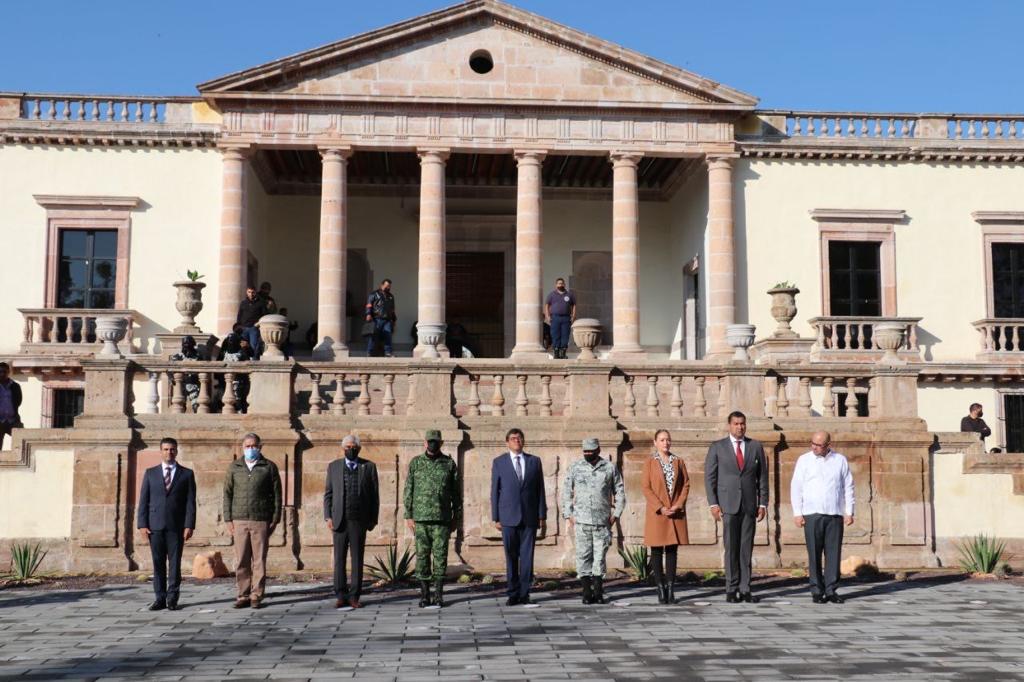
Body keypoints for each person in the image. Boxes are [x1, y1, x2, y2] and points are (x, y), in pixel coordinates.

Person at [704, 411, 768, 604]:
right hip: (728, 505)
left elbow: (762, 477)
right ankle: (731, 589)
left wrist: (762, 503)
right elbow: (710, 478)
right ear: (729, 425)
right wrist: (713, 503)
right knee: (731, 548)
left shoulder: (755, 446)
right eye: (736, 424)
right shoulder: (718, 447)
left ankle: (745, 588)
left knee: (746, 548)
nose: (740, 427)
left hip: (749, 505)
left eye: (742, 424)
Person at [791, 431, 854, 604]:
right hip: (812, 513)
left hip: (834, 513)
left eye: (819, 445)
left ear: (828, 445)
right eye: (813, 443)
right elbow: (796, 487)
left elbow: (848, 486)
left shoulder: (840, 460)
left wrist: (849, 511)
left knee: (833, 554)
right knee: (814, 553)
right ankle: (816, 590)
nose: (815, 447)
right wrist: (797, 513)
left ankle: (831, 590)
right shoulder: (804, 460)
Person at [561, 437, 625, 605]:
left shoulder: (609, 468)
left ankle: (598, 591)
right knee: (583, 557)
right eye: (585, 451)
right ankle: (586, 592)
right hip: (581, 521)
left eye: (591, 451)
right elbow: (566, 491)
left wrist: (616, 514)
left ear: (598, 450)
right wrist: (568, 514)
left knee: (599, 557)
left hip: (602, 522)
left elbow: (619, 491)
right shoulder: (575, 467)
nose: (588, 454)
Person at [223, 433, 282, 609]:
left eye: (254, 446)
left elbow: (277, 495)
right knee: (241, 558)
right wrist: (228, 518)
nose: (251, 449)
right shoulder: (234, 467)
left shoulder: (269, 467)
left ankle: (256, 594)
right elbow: (227, 494)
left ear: (260, 447)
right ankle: (243, 594)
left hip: (260, 519)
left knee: (259, 559)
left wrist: (275, 518)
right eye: (247, 446)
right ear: (243, 447)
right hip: (239, 519)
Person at [404, 429, 462, 608]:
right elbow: (408, 489)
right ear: (425, 443)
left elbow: (456, 493)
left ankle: (438, 595)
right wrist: (408, 515)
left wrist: (456, 516)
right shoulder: (416, 463)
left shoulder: (449, 464)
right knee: (422, 558)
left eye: (436, 442)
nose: (432, 444)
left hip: (441, 520)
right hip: (420, 520)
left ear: (441, 443)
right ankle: (424, 595)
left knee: (440, 557)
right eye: (430, 441)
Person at [137, 437, 196, 611]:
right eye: (166, 449)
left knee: (175, 564)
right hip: (155, 526)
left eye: (172, 449)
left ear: (176, 451)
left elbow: (190, 502)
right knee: (158, 564)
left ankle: (172, 598)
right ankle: (160, 598)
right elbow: (144, 500)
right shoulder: (150, 473)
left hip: (176, 526)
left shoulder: (186, 474)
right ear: (161, 451)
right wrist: (142, 524)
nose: (169, 452)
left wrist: (189, 525)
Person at [491, 428, 547, 606]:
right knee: (511, 556)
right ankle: (512, 593)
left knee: (527, 557)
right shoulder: (499, 462)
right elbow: (495, 491)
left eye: (519, 438)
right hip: (507, 517)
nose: (517, 440)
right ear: (507, 442)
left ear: (523, 441)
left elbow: (540, 490)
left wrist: (542, 515)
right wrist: (496, 517)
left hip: (529, 517)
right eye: (513, 438)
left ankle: (525, 593)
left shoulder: (534, 461)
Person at [324, 435, 379, 609]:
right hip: (339, 520)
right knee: (339, 559)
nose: (351, 449)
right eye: (347, 447)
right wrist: (328, 516)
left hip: (359, 520)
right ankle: (341, 595)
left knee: (357, 559)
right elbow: (328, 494)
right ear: (343, 448)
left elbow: (374, 496)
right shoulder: (333, 467)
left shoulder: (369, 467)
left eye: (354, 447)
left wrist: (373, 519)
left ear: (359, 449)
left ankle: (354, 596)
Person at [642, 429, 690, 604]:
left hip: (675, 512)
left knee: (671, 551)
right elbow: (646, 487)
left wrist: (678, 504)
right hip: (657, 513)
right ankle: (660, 588)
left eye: (668, 440)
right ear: (655, 442)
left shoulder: (678, 461)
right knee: (656, 550)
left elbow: (686, 485)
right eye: (662, 440)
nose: (665, 443)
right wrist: (660, 507)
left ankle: (670, 588)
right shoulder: (649, 462)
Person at [544, 277, 576, 359]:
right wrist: (547, 316)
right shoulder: (552, 295)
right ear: (556, 285)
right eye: (559, 283)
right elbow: (547, 305)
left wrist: (573, 316)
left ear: (564, 284)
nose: (560, 285)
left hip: (566, 318)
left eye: (562, 283)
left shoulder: (569, 295)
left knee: (565, 335)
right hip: (555, 318)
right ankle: (556, 353)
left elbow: (574, 305)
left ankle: (563, 353)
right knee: (555, 335)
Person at [365, 278, 397, 357]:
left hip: (387, 320)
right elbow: (369, 304)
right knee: (373, 336)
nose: (388, 287)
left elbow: (392, 309)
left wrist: (394, 319)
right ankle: (369, 352)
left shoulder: (391, 296)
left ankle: (388, 352)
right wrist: (368, 314)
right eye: (387, 286)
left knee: (388, 335)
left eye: (389, 286)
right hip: (377, 319)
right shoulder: (374, 294)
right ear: (382, 285)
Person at [170, 336, 202, 413]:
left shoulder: (198, 357)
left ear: (192, 344)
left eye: (188, 344)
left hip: (194, 384)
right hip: (181, 384)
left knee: (196, 405)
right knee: (180, 406)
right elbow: (170, 369)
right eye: (184, 344)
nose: (186, 346)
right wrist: (172, 379)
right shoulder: (177, 356)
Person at [236, 286, 268, 359]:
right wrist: (238, 325)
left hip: (254, 328)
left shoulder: (261, 303)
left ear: (255, 292)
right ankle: (243, 360)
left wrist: (258, 324)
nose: (251, 294)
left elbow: (265, 316)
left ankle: (254, 362)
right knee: (242, 346)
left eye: (253, 292)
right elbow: (239, 315)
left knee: (254, 346)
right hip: (243, 328)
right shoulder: (243, 303)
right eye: (249, 292)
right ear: (246, 292)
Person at [0, 362, 23, 448]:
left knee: (21, 441)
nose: (2, 374)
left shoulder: (15, 386)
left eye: (4, 371)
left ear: (8, 372)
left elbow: (18, 401)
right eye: (0, 371)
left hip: (13, 420)